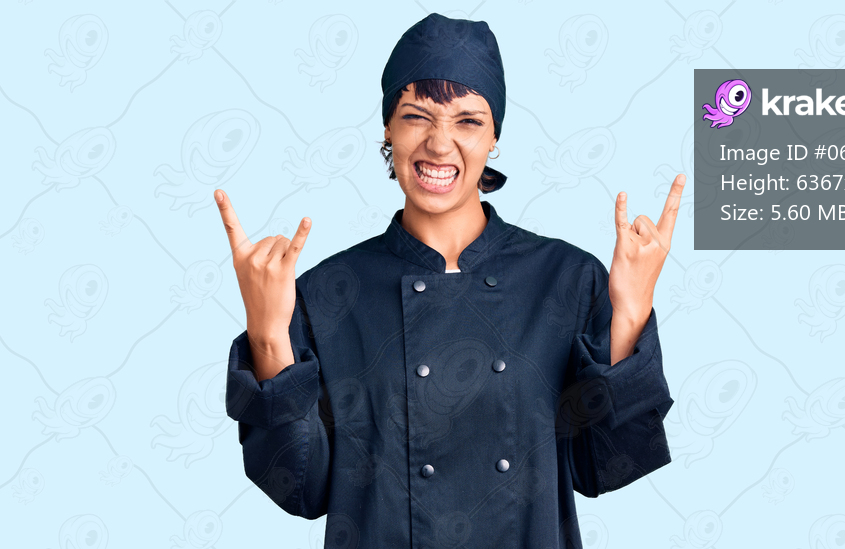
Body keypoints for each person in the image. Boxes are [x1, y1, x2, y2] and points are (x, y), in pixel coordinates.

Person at [220, 12, 686, 549]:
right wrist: (266, 333)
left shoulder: (567, 279)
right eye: (417, 116)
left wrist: (629, 312)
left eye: (468, 121)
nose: (440, 145)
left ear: (494, 139)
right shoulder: (329, 292)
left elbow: (604, 466)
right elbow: (300, 488)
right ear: (388, 131)